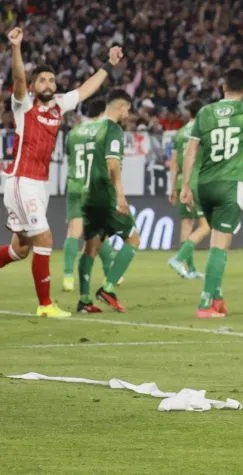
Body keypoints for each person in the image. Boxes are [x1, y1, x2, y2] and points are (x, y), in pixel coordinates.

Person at [0, 27, 122, 318]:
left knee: (20, 249)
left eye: (51, 79)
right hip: (21, 181)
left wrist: (108, 65)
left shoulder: (58, 105)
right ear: (33, 86)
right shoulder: (24, 104)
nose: (48, 83)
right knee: (45, 239)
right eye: (42, 79)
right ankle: (45, 305)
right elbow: (18, 78)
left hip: (40, 186)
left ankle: (43, 300)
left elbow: (86, 89)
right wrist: (16, 47)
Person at [180, 30, 243, 319]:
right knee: (220, 245)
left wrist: (185, 185)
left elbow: (190, 151)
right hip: (229, 184)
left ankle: (218, 297)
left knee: (216, 238)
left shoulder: (205, 112)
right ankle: (205, 304)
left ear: (223, 86)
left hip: (204, 184)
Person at [77, 90, 141, 313]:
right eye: (128, 109)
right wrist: (120, 196)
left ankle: (84, 300)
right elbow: (112, 164)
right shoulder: (112, 129)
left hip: (87, 194)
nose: (128, 114)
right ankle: (108, 288)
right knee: (133, 238)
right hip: (105, 195)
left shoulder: (88, 129)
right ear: (121, 106)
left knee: (91, 248)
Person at [61, 98, 118, 292]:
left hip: (75, 186)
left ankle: (68, 277)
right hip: (94, 189)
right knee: (100, 234)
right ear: (103, 112)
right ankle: (112, 273)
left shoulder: (74, 133)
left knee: (73, 232)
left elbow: (70, 157)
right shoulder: (104, 131)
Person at [167, 100, 210, 280]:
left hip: (180, 182)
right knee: (205, 226)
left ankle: (190, 268)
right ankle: (179, 259)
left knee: (186, 224)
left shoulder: (179, 134)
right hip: (195, 181)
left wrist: (173, 188)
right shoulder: (202, 131)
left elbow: (174, 163)